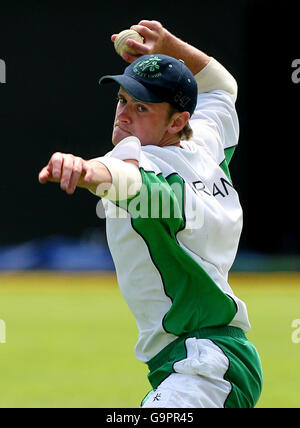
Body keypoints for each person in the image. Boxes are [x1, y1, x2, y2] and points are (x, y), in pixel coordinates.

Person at [38, 20, 263, 408]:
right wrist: (169, 44)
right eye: (122, 99)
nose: (123, 114)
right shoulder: (205, 142)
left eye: (141, 107)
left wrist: (85, 170)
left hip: (204, 368)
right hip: (213, 360)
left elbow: (130, 180)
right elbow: (223, 87)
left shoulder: (149, 170)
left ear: (177, 121)